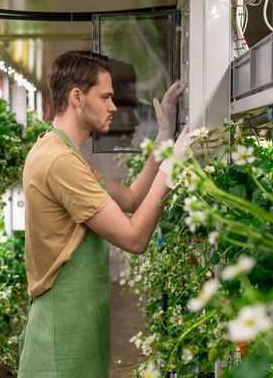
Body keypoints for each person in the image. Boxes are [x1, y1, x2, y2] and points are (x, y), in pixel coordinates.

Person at [18, 50, 205, 377]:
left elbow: (131, 198)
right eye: (105, 96)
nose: (113, 106)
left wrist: (163, 141)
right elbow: (134, 238)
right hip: (62, 340)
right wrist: (173, 168)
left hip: (77, 331)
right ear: (77, 97)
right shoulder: (60, 162)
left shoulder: (61, 151)